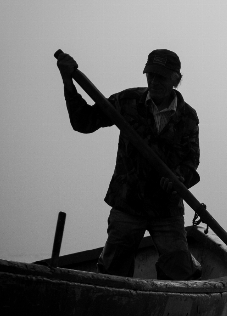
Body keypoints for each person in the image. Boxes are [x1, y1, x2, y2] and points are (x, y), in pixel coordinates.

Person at [57, 49, 202, 280]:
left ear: (176, 80)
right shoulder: (126, 102)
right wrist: (68, 80)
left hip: (166, 209)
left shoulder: (188, 117)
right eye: (150, 75)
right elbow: (83, 121)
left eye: (161, 77)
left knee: (179, 271)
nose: (154, 82)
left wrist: (178, 178)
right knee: (113, 270)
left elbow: (191, 160)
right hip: (128, 203)